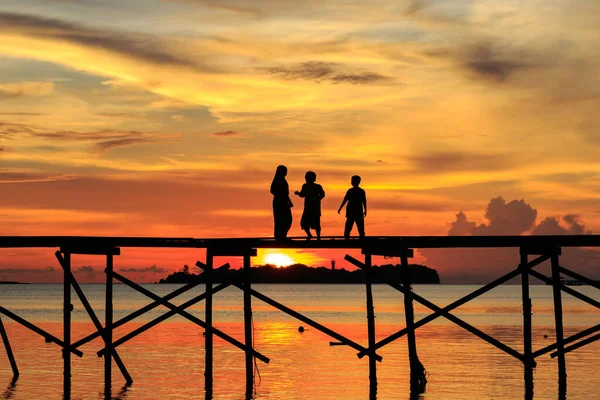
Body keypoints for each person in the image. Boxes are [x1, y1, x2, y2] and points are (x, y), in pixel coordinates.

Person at [294, 171, 325, 240]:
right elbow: (302, 195)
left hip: (313, 208)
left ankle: (317, 236)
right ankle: (313, 235)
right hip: (309, 207)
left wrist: (317, 199)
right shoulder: (306, 186)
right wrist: (298, 193)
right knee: (305, 222)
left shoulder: (316, 186)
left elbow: (322, 194)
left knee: (315, 222)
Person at [337, 175, 367, 239]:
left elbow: (364, 201)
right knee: (351, 224)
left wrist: (365, 210)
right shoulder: (354, 191)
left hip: (356, 210)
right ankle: (348, 236)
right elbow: (345, 200)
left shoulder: (355, 191)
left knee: (357, 224)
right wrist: (340, 208)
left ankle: (358, 236)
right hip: (353, 210)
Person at [270, 165, 293, 240]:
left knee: (287, 219)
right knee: (281, 220)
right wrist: (281, 196)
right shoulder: (278, 180)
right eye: (284, 171)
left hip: (283, 202)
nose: (286, 173)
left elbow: (285, 194)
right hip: (279, 202)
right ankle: (280, 237)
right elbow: (273, 190)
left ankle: (283, 236)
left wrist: (289, 201)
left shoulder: (282, 180)